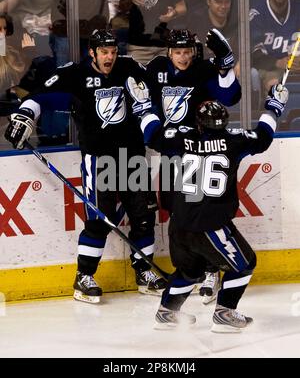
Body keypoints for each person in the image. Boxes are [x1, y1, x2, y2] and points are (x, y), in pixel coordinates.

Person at [4, 29, 167, 302]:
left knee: (143, 217)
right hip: (99, 159)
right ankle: (84, 277)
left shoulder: (130, 68)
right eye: (104, 52)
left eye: (113, 52)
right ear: (92, 52)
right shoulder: (74, 75)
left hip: (133, 156)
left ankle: (144, 272)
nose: (110, 57)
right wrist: (24, 116)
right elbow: (39, 97)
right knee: (99, 219)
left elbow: (156, 91)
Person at [139, 82, 289, 331]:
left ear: (198, 123)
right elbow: (263, 138)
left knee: (190, 270)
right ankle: (225, 313)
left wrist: (144, 108)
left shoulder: (182, 138)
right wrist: (273, 107)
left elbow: (152, 135)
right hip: (210, 224)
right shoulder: (234, 141)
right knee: (245, 263)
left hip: (181, 222)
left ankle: (167, 312)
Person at [145, 28, 241, 303]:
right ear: (168, 52)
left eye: (187, 52)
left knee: (203, 210)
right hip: (171, 151)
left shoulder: (202, 69)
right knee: (177, 211)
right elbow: (142, 101)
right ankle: (189, 270)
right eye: (178, 52)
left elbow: (231, 96)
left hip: (199, 152)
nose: (183, 57)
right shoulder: (156, 69)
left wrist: (225, 66)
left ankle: (212, 270)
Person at [250, 0, 300, 95]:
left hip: (296, 65)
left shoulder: (297, 7)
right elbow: (254, 53)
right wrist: (277, 62)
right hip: (271, 67)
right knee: (275, 86)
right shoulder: (257, 13)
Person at [188, 0, 240, 77]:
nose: (223, 6)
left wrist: (241, 62)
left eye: (226, 2)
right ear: (208, 1)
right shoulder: (196, 21)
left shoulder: (237, 19)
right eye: (218, 2)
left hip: (232, 71)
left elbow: (245, 49)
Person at [127, 0, 188, 65]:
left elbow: (182, 7)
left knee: (166, 74)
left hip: (164, 46)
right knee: (136, 74)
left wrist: (174, 13)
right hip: (138, 47)